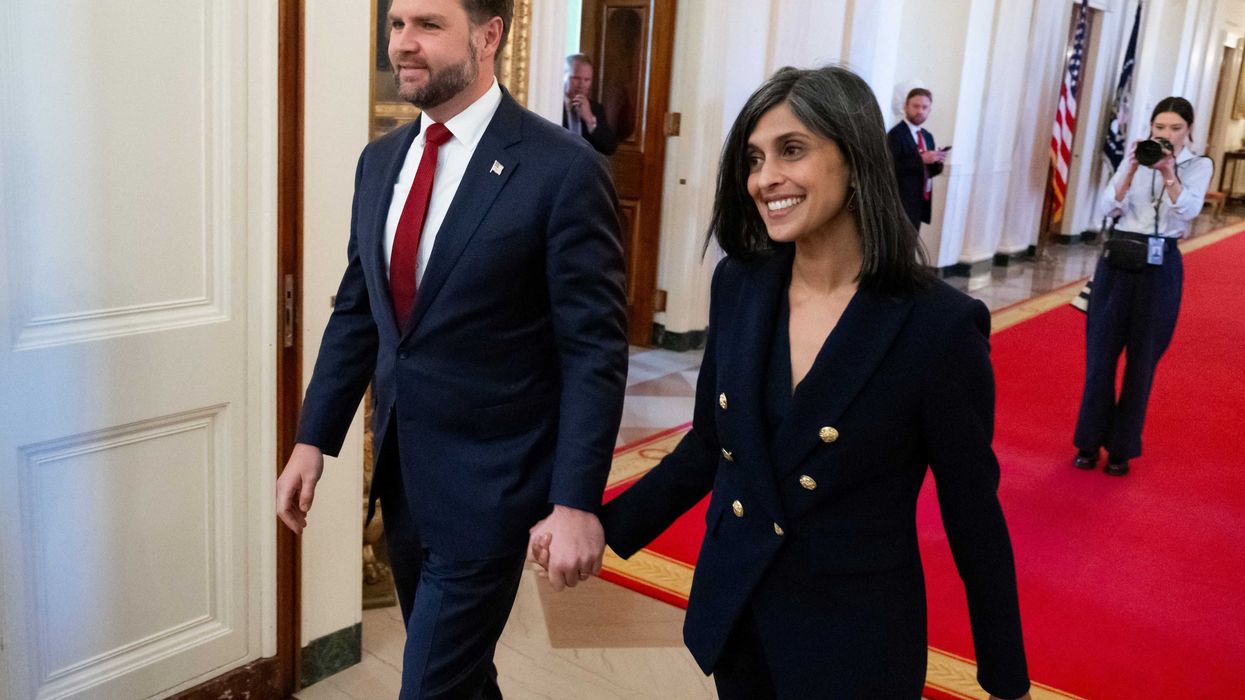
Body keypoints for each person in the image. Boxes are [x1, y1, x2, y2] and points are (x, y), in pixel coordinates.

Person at [533, 66, 1030, 699]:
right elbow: (710, 447)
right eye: (754, 158)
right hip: (740, 611)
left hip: (853, 638)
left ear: (854, 160)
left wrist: (1004, 673)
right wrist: (602, 524)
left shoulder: (938, 325)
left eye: (791, 151)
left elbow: (970, 507)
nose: (765, 178)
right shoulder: (741, 285)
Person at [274, 0, 629, 697]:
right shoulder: (379, 163)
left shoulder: (561, 169)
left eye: (428, 25)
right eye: (397, 24)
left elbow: (593, 349)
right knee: (460, 678)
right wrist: (312, 439)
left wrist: (575, 500)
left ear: (488, 35)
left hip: (497, 483)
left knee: (430, 683)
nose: (403, 44)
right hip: (406, 478)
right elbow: (357, 314)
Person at [1073, 97, 1213, 476]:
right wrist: (1132, 169)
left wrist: (1169, 173)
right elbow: (1107, 207)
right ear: (1151, 127)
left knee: (1141, 363)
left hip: (1160, 264)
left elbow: (1189, 211)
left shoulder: (1198, 165)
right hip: (1117, 261)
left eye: (1175, 129)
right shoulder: (1135, 155)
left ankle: (1121, 448)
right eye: (1160, 128)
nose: (1166, 135)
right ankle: (1088, 441)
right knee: (1100, 356)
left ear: (1188, 131)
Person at [887, 87, 947, 230]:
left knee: (910, 248)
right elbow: (890, 167)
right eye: (916, 106)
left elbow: (928, 172)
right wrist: (921, 160)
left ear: (929, 111)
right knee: (898, 249)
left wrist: (937, 161)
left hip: (919, 203)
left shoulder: (927, 136)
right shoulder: (895, 135)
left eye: (925, 107)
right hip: (899, 204)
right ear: (905, 107)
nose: (920, 111)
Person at [562, 53, 618, 155]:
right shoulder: (552, 105)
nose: (581, 85)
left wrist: (590, 120)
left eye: (587, 80)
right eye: (576, 78)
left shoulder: (596, 109)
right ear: (563, 76)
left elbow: (610, 148)